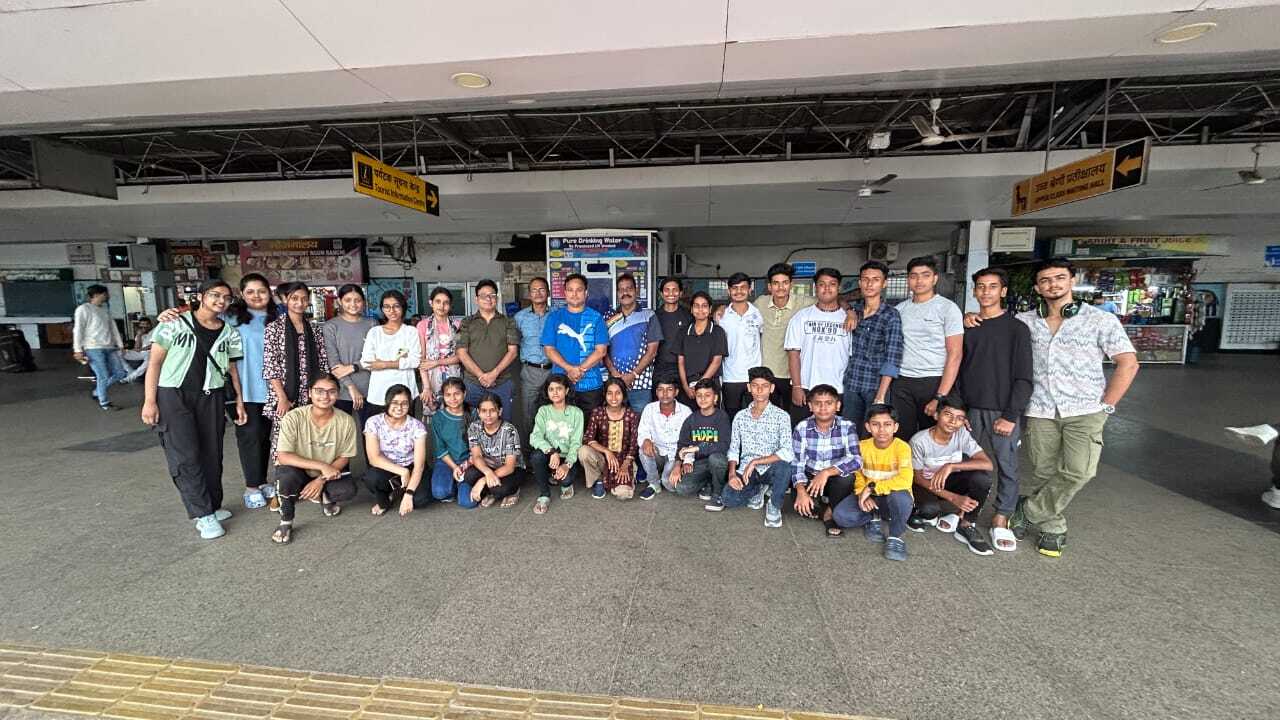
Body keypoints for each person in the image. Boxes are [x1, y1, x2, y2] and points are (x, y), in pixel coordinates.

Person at [1008, 258, 1139, 558]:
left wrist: (1106, 406)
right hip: (1040, 408)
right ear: (1037, 287)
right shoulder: (1024, 322)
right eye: (1045, 280)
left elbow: (1128, 363)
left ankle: (1029, 511)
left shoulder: (1100, 320)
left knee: (1080, 471)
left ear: (1072, 280)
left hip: (1085, 409)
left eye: (1059, 278)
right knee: (1044, 471)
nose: (1052, 284)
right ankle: (1053, 527)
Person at [140, 279, 248, 539]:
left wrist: (239, 401)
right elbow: (154, 364)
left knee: (213, 452)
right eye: (215, 295)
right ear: (200, 296)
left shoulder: (229, 332)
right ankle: (203, 514)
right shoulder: (173, 323)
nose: (221, 301)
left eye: (226, 298)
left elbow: (232, 369)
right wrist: (150, 401)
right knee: (185, 455)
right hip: (174, 396)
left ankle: (212, 505)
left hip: (212, 396)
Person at [956, 267, 1033, 552]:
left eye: (992, 286)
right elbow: (959, 368)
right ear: (974, 291)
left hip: (1002, 411)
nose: (986, 292)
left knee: (1006, 464)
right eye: (980, 286)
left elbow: (1024, 377)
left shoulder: (1016, 329)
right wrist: (959, 408)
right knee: (965, 460)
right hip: (971, 409)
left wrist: (1011, 415)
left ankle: (1002, 515)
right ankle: (964, 510)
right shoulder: (968, 326)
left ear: (1003, 291)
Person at [269, 374, 359, 544]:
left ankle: (324, 496)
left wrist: (320, 479)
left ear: (338, 394)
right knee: (285, 478)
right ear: (310, 393)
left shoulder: (346, 421)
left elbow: (345, 457)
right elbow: (283, 456)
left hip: (328, 473)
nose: (325, 396)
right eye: (319, 391)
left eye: (331, 391)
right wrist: (322, 466)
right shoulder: (293, 417)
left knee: (347, 489)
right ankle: (286, 521)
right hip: (299, 470)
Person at [907, 395, 995, 555]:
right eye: (948, 414)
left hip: (949, 481)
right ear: (936, 415)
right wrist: (953, 498)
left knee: (982, 479)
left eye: (960, 418)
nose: (953, 421)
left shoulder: (961, 434)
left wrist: (951, 466)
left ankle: (966, 524)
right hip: (925, 485)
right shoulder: (919, 441)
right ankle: (915, 511)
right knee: (929, 510)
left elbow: (987, 464)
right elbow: (917, 478)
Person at [892, 256, 964, 440]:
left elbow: (955, 354)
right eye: (914, 276)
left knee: (933, 437)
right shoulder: (900, 310)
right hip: (902, 381)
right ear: (908, 279)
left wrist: (940, 396)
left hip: (934, 381)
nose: (919, 280)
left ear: (935, 278)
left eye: (925, 275)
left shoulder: (948, 308)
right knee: (902, 435)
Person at [832, 403, 914, 561]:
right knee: (841, 516)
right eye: (876, 424)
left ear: (895, 427)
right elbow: (858, 475)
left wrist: (871, 489)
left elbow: (905, 480)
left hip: (892, 495)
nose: (882, 430)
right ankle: (873, 516)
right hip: (869, 495)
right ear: (868, 427)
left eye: (887, 424)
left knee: (902, 498)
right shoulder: (861, 446)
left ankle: (895, 537)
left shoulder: (902, 448)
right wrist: (862, 494)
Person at [262, 281, 330, 463]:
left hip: (311, 393)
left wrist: (322, 391)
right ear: (285, 299)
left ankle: (310, 474)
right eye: (294, 298)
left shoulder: (314, 329)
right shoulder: (274, 328)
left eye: (304, 299)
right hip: (286, 393)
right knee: (284, 436)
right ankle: (285, 476)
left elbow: (323, 362)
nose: (300, 303)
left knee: (311, 436)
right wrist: (282, 397)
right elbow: (271, 366)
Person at [228, 274, 278, 509]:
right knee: (250, 437)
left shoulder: (278, 317)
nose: (257, 296)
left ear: (270, 292)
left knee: (266, 437)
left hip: (274, 389)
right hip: (245, 390)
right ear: (241, 294)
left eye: (261, 291)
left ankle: (262, 480)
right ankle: (251, 486)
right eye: (250, 292)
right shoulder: (230, 318)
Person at [721, 366, 793, 528]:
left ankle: (774, 505)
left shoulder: (782, 416)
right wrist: (732, 474)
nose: (759, 390)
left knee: (785, 467)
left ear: (772, 388)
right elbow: (734, 449)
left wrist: (756, 462)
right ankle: (758, 489)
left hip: (770, 468)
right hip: (747, 471)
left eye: (764, 386)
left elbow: (787, 451)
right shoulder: (740, 417)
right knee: (728, 499)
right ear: (749, 387)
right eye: (755, 385)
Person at [791, 384, 862, 537]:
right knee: (802, 507)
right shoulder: (802, 428)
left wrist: (826, 472)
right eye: (818, 403)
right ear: (810, 406)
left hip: (835, 478)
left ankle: (829, 512)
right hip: (811, 477)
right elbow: (797, 463)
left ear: (838, 406)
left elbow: (856, 459)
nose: (823, 408)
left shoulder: (847, 426)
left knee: (847, 478)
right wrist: (801, 491)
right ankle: (824, 504)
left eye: (829, 403)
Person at [841, 261, 903, 434]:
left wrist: (881, 395)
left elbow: (893, 357)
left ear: (884, 283)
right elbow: (839, 299)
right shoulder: (855, 311)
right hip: (852, 383)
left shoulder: (890, 315)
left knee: (873, 434)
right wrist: (849, 311)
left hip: (875, 386)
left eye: (876, 280)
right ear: (860, 282)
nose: (869, 284)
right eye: (865, 279)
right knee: (849, 433)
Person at [755, 263, 815, 423]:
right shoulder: (760, 303)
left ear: (791, 284)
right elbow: (741, 309)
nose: (780, 287)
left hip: (792, 375)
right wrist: (721, 309)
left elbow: (831, 301)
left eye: (785, 283)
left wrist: (850, 311)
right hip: (768, 373)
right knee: (770, 419)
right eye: (776, 283)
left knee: (792, 418)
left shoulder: (804, 302)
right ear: (769, 286)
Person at [785, 268, 852, 410]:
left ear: (839, 288)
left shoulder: (849, 319)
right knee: (802, 424)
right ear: (815, 288)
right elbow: (793, 354)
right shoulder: (801, 317)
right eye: (822, 284)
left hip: (839, 388)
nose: (827, 288)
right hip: (806, 387)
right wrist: (797, 386)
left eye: (832, 284)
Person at [542, 273, 609, 413]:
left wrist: (578, 370)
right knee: (562, 425)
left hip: (590, 385)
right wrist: (569, 368)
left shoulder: (596, 318)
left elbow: (601, 351)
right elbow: (549, 349)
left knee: (590, 425)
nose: (574, 294)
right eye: (570, 290)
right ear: (565, 293)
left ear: (586, 293)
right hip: (561, 385)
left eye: (579, 290)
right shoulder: (554, 317)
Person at [456, 280, 519, 421]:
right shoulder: (467, 322)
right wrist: (481, 376)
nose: (488, 299)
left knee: (503, 423)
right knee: (473, 424)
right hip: (473, 384)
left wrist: (494, 374)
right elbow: (461, 352)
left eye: (492, 295)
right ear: (476, 299)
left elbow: (513, 351)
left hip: (502, 383)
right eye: (483, 295)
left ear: (497, 298)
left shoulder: (508, 322)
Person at [363, 384, 429, 517]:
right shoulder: (373, 422)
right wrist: (402, 472)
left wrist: (409, 494)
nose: (399, 407)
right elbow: (374, 458)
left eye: (404, 403)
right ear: (387, 402)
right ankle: (388, 497)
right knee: (372, 478)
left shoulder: (417, 426)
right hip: (387, 467)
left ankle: (401, 491)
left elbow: (419, 466)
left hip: (411, 466)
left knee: (419, 500)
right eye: (395, 402)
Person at [604, 273, 663, 413]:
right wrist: (614, 373)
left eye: (629, 288)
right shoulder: (608, 317)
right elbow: (602, 349)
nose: (625, 293)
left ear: (636, 291)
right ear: (617, 293)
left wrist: (633, 375)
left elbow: (652, 351)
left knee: (641, 422)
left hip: (641, 384)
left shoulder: (649, 315)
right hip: (615, 384)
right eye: (621, 289)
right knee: (615, 421)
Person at [668, 379, 731, 509]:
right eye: (699, 395)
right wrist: (678, 465)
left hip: (719, 461)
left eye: (707, 395)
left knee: (716, 459)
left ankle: (718, 493)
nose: (703, 399)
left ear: (715, 398)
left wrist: (697, 448)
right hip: (700, 463)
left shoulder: (722, 417)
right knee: (681, 488)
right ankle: (708, 482)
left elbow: (724, 446)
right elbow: (682, 445)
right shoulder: (691, 419)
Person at [322, 284, 378, 431]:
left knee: (370, 434)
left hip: (370, 389)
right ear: (339, 301)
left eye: (357, 300)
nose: (353, 304)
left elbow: (376, 357)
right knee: (340, 434)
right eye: (348, 300)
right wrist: (351, 387)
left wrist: (354, 367)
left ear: (363, 302)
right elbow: (333, 363)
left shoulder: (372, 324)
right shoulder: (330, 326)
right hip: (340, 390)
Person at [528, 374, 585, 514]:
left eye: (559, 388)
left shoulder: (576, 413)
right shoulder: (543, 411)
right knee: (536, 456)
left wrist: (567, 465)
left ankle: (564, 482)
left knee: (566, 480)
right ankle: (544, 494)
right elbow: (534, 437)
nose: (555, 392)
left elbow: (576, 443)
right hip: (550, 456)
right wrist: (551, 451)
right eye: (551, 389)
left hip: (567, 458)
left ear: (566, 391)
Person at [360, 290, 421, 419]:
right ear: (382, 309)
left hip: (405, 390)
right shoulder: (374, 332)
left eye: (396, 306)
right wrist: (400, 363)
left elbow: (415, 361)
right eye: (387, 306)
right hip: (379, 392)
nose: (392, 310)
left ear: (403, 307)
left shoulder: (411, 332)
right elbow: (365, 362)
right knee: (378, 429)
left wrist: (383, 364)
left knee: (406, 429)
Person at [579, 377, 641, 500]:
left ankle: (629, 475)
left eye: (618, 393)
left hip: (624, 460)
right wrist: (606, 451)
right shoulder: (598, 412)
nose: (613, 398)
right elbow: (588, 438)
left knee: (623, 494)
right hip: (603, 459)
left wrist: (626, 465)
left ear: (624, 395)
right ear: (604, 394)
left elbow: (634, 444)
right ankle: (599, 479)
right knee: (583, 451)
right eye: (609, 393)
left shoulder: (631, 415)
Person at [465, 392, 527, 509]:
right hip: (489, 467)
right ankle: (491, 491)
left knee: (500, 489)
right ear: (478, 412)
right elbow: (477, 456)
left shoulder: (509, 430)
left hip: (512, 470)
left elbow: (509, 467)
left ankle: (512, 491)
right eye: (484, 411)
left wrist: (483, 480)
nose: (488, 415)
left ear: (500, 411)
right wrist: (487, 472)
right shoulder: (474, 427)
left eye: (492, 410)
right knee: (469, 475)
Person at [637, 374, 693, 500]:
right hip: (657, 453)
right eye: (661, 389)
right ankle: (654, 483)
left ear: (676, 392)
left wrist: (686, 461)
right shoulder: (649, 409)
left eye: (669, 389)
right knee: (643, 449)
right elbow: (643, 431)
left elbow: (691, 441)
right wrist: (646, 440)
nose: (665, 394)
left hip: (676, 456)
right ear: (656, 392)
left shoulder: (686, 412)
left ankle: (664, 477)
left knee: (669, 484)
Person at [74, 284, 128, 410]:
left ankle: (97, 392)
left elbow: (113, 328)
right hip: (93, 348)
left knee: (120, 373)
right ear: (97, 295)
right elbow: (78, 329)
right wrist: (78, 349)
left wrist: (120, 345)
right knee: (102, 375)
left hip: (109, 347)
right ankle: (104, 403)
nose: (108, 296)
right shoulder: (84, 309)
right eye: (105, 294)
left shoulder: (104, 310)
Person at [718, 273, 764, 418]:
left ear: (750, 290)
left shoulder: (758, 313)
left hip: (754, 376)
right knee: (732, 416)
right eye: (735, 288)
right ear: (729, 291)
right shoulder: (721, 316)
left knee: (756, 416)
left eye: (743, 287)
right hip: (730, 376)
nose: (739, 291)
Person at [429, 377, 476, 508]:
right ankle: (453, 483)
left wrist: (467, 464)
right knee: (440, 492)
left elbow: (480, 445)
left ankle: (461, 483)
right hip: (447, 461)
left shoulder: (474, 414)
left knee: (468, 502)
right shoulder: (438, 417)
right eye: (448, 395)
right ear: (443, 396)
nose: (453, 398)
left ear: (464, 394)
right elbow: (440, 448)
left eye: (457, 394)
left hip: (470, 462)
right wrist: (455, 467)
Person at [416, 287, 463, 417]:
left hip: (454, 374)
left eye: (446, 302)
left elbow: (461, 356)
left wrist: (437, 362)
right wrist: (426, 387)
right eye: (438, 301)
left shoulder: (458, 325)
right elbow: (422, 360)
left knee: (454, 413)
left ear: (450, 305)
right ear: (431, 303)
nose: (442, 306)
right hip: (431, 378)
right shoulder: (423, 325)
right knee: (434, 416)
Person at [513, 277, 552, 432]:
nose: (538, 293)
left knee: (554, 411)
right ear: (529, 294)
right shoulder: (520, 318)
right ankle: (530, 446)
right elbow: (514, 346)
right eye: (534, 290)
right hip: (530, 371)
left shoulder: (557, 315)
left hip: (554, 369)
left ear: (548, 292)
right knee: (529, 413)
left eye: (542, 289)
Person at [676, 291, 727, 407]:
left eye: (704, 306)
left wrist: (699, 386)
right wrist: (685, 386)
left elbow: (716, 362)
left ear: (710, 309)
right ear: (691, 309)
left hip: (711, 384)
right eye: (696, 306)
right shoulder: (683, 332)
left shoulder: (718, 332)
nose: (700, 310)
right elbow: (680, 362)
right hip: (688, 387)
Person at [653, 277, 693, 386]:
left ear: (681, 293)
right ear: (661, 294)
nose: (671, 293)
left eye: (675, 290)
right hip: (660, 368)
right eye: (667, 290)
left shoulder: (688, 316)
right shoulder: (654, 317)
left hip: (684, 368)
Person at [122, 316, 155, 383]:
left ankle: (131, 377)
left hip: (150, 352)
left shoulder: (154, 332)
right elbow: (137, 348)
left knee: (149, 357)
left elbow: (154, 345)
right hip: (140, 353)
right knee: (117, 353)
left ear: (150, 325)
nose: (144, 326)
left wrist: (142, 349)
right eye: (142, 324)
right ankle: (129, 370)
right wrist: (139, 335)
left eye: (146, 324)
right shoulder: (139, 334)